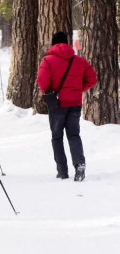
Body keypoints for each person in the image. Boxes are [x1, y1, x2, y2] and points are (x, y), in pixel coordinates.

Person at [36, 31, 97, 181]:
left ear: (53, 44)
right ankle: (79, 164)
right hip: (75, 103)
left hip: (57, 104)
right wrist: (77, 90)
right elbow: (92, 79)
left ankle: (62, 171)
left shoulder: (48, 60)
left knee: (57, 137)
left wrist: (49, 93)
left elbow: (42, 82)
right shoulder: (80, 61)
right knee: (74, 135)